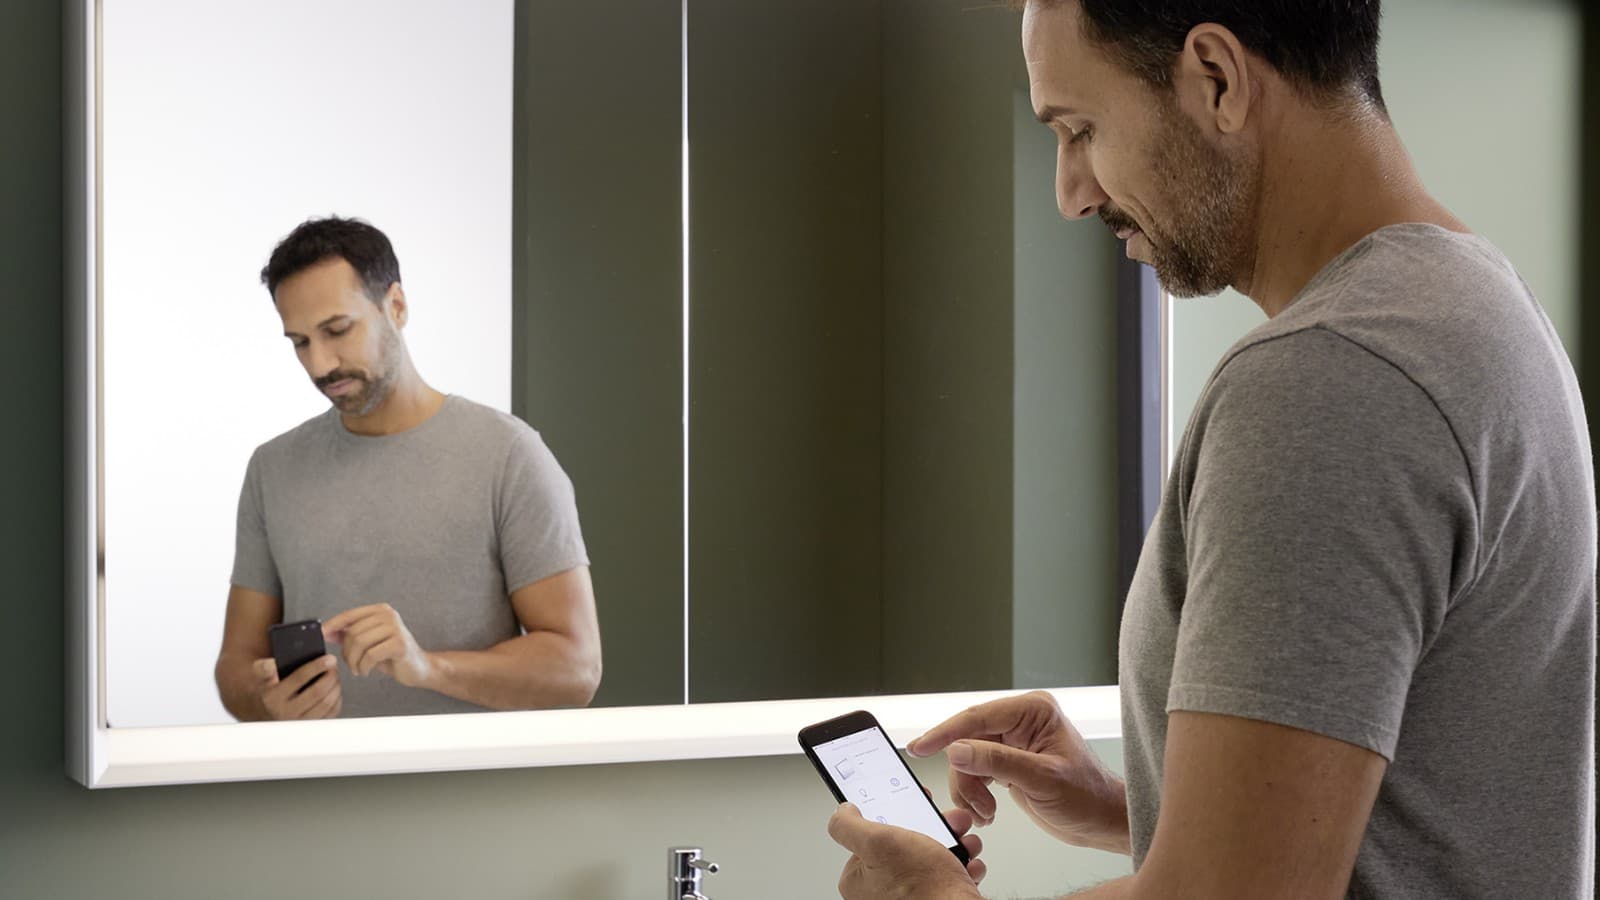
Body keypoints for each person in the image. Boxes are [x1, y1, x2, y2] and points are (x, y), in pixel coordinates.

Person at [825, 1, 1595, 897]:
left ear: (1218, 79)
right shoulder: (1476, 308)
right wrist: (1130, 807)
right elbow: (1413, 827)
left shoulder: (1329, 378)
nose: (1071, 194)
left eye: (1080, 129)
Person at [213, 216, 602, 719]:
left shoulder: (509, 456)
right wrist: (266, 699)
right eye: (301, 342)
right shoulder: (272, 469)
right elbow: (235, 669)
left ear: (395, 306)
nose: (320, 364)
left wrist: (427, 667)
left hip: (467, 793)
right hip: (317, 792)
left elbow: (576, 669)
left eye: (337, 330)